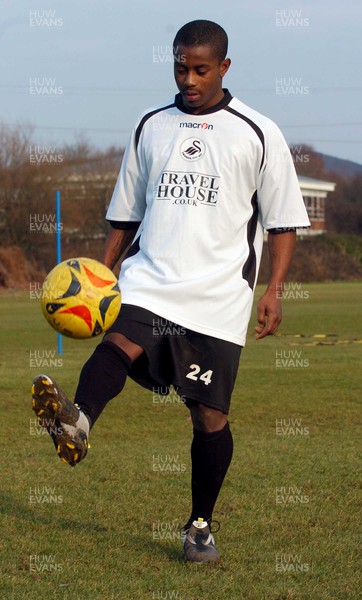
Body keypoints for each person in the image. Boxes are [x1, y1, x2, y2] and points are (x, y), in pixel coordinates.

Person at [32, 19, 310, 564]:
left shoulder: (258, 131)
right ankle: (78, 422)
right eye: (180, 67)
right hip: (148, 281)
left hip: (218, 297)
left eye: (201, 69)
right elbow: (124, 216)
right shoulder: (151, 125)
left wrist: (274, 291)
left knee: (209, 417)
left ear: (224, 68)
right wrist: (99, 278)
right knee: (116, 344)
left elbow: (282, 224)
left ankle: (200, 527)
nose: (189, 78)